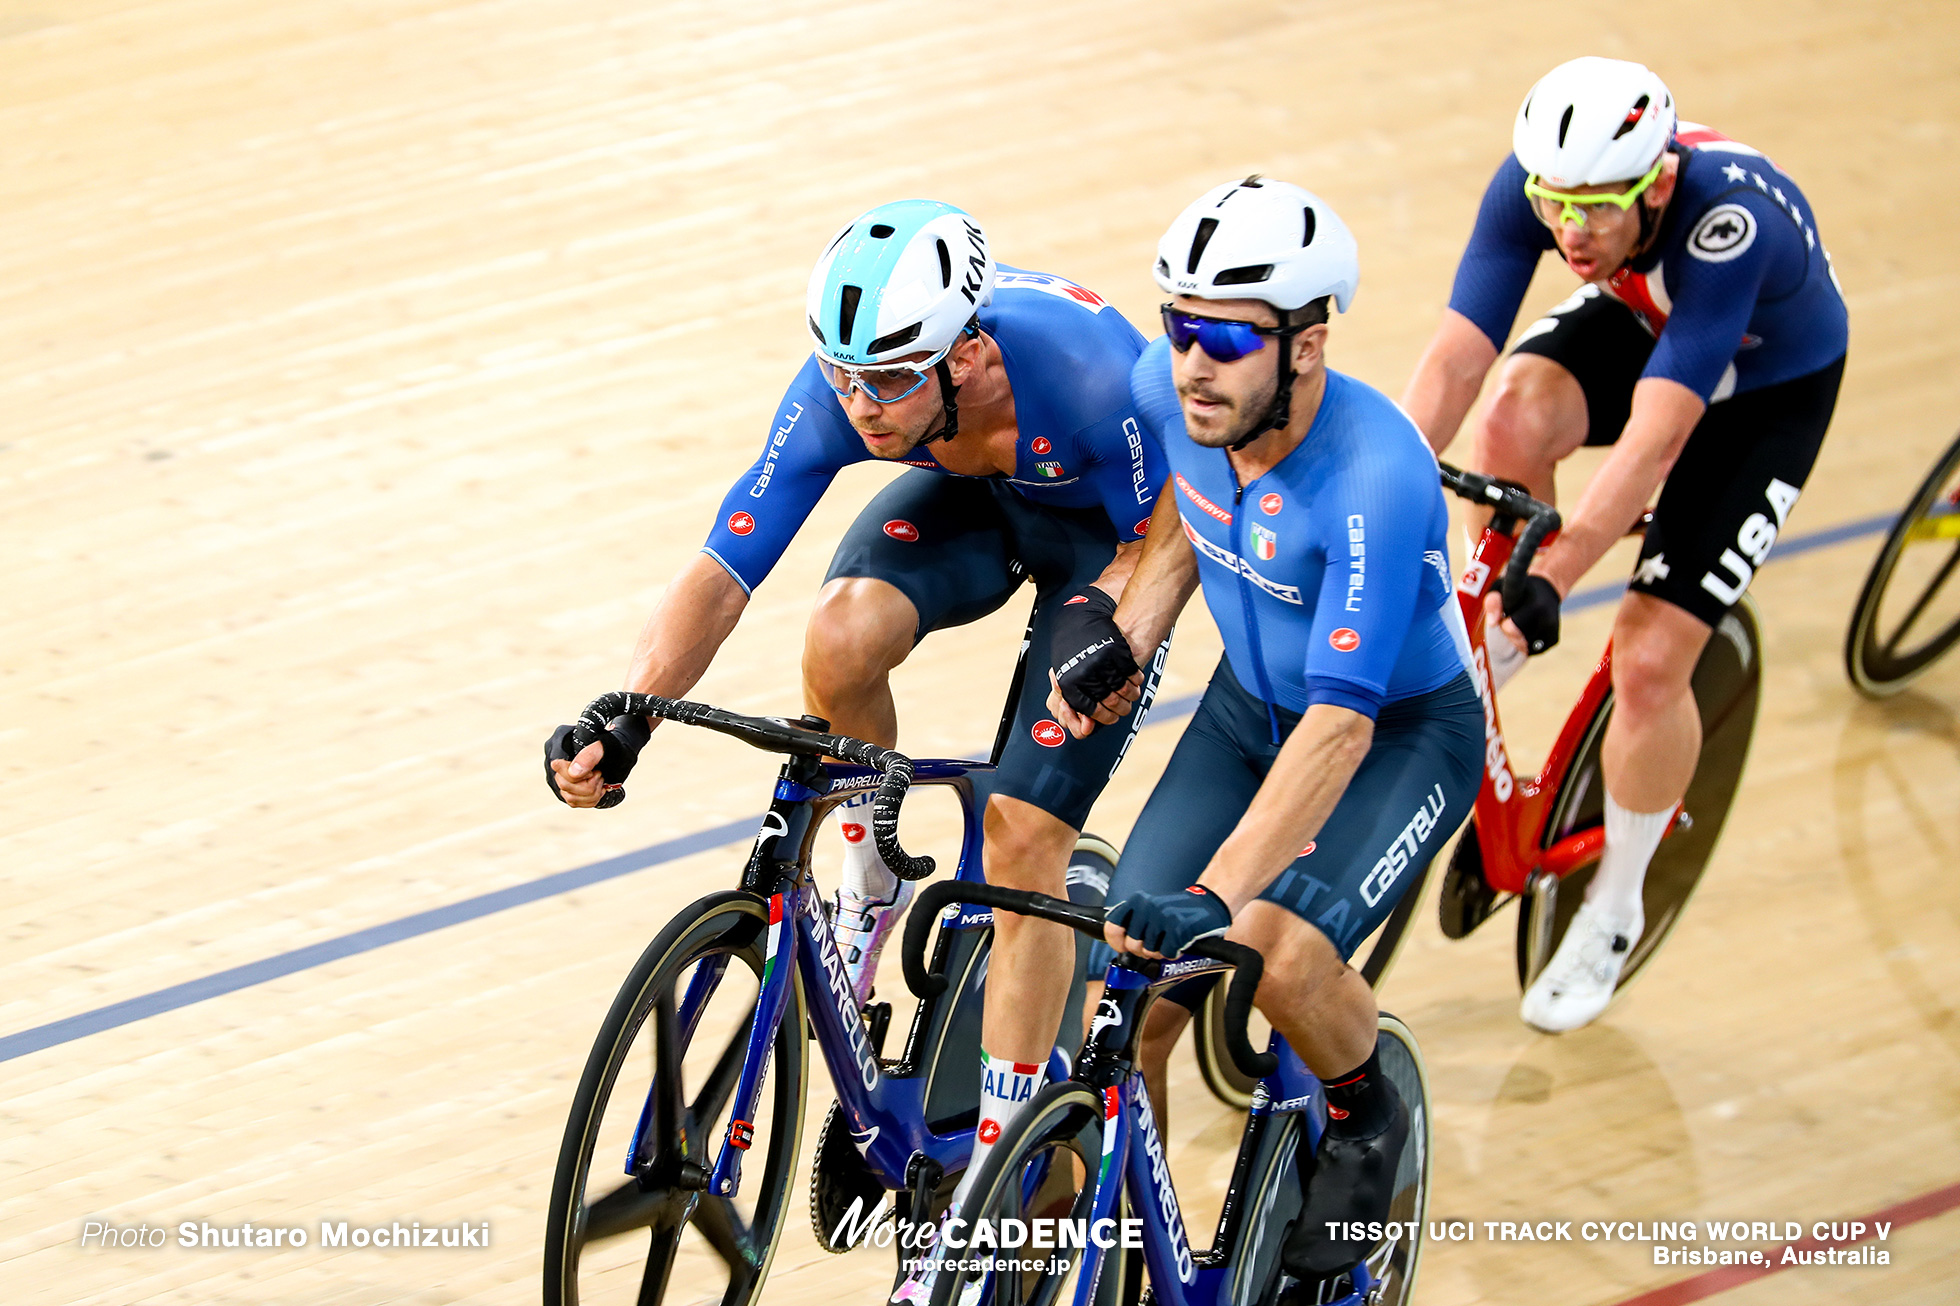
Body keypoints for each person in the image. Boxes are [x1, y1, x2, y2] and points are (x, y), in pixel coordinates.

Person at [540, 199, 1170, 1295]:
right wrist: (630, 705)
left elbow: (1167, 530)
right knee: (838, 628)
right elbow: (727, 563)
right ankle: (866, 876)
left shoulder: (1087, 372)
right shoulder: (851, 388)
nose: (858, 406)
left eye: (884, 381)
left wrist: (1109, 617)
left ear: (967, 355)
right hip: (981, 502)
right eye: (841, 378)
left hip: (1106, 548)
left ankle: (1001, 1153)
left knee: (1023, 834)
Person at [1049, 176, 1483, 1282]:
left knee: (1274, 957)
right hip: (1247, 715)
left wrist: (1220, 890)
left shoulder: (1377, 479)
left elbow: (1340, 729)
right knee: (1125, 987)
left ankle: (1365, 1111)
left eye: (1228, 337)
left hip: (1393, 736)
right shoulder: (1172, 389)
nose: (1192, 360)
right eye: (1179, 323)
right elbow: (1191, 522)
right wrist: (1133, 631)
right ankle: (1133, 1258)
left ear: (1307, 341)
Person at [1400, 56, 1847, 1031]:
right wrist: (1375, 486)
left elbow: (1655, 442)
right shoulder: (1540, 188)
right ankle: (1491, 638)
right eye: (1556, 205)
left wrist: (1553, 576)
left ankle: (1617, 902)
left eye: (1599, 209)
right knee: (1514, 411)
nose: (1570, 231)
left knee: (1649, 661)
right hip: (1656, 324)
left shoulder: (1730, 224)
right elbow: (1456, 358)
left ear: (1657, 184)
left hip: (1763, 391)